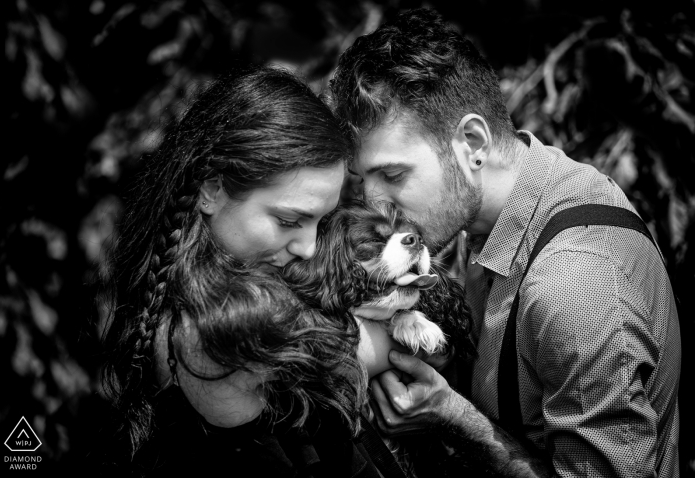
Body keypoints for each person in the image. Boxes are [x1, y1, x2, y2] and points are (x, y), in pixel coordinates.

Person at [329, 8, 681, 478]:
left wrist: (455, 418)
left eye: (392, 174)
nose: (376, 201)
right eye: (364, 179)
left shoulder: (574, 287)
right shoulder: (504, 200)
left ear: (472, 142)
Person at [96, 65, 389, 477]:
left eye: (321, 223)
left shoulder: (195, 292)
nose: (308, 248)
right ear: (211, 191)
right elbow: (370, 349)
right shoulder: (209, 334)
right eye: (289, 220)